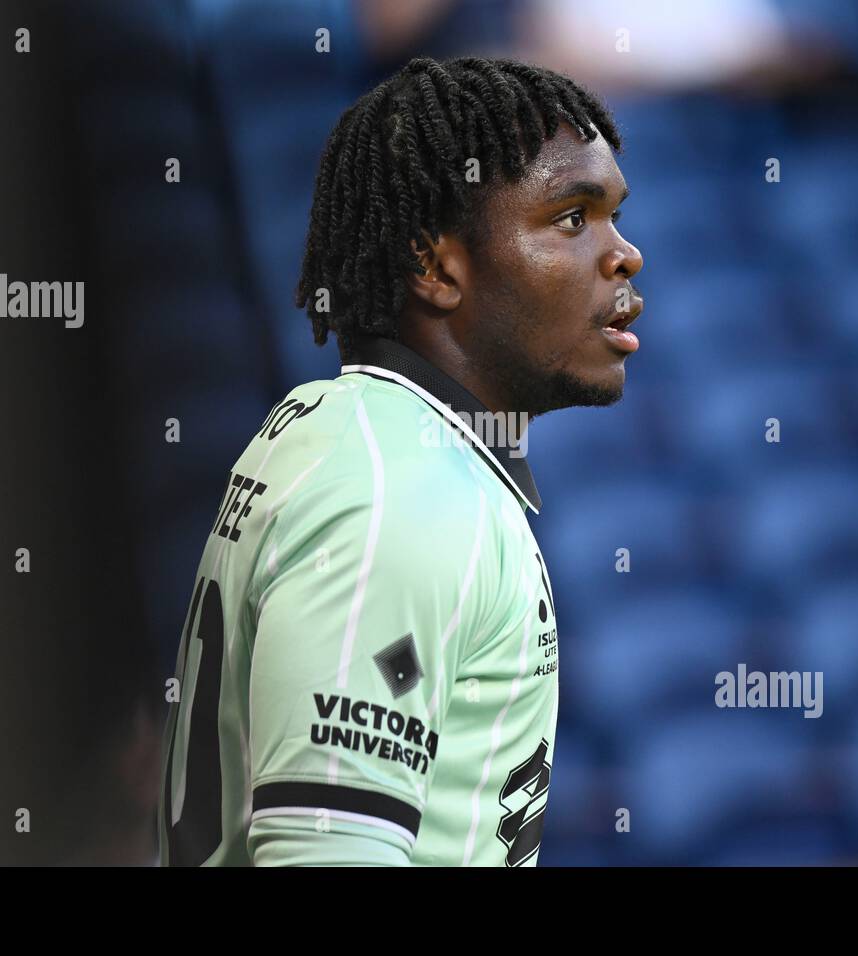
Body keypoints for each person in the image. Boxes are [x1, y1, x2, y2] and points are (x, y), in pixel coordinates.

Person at [159, 55, 643, 867]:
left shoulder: (357, 437)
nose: (625, 255)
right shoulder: (400, 495)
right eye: (572, 217)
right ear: (434, 265)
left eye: (615, 217)